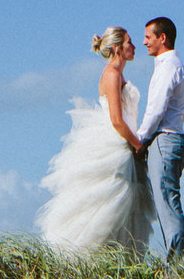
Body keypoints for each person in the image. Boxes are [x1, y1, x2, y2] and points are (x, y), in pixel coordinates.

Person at [33, 26, 156, 254]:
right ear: (118, 47)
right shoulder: (111, 74)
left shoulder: (118, 74)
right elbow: (117, 120)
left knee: (127, 206)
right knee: (109, 204)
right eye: (130, 42)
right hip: (115, 144)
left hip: (125, 142)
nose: (135, 46)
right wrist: (139, 146)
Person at [134, 16, 184, 260]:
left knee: (167, 205)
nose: (144, 42)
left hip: (165, 140)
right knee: (166, 203)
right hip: (170, 139)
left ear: (162, 38)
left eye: (148, 37)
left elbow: (156, 109)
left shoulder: (167, 66)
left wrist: (140, 140)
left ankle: (176, 269)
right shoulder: (168, 64)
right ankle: (176, 265)